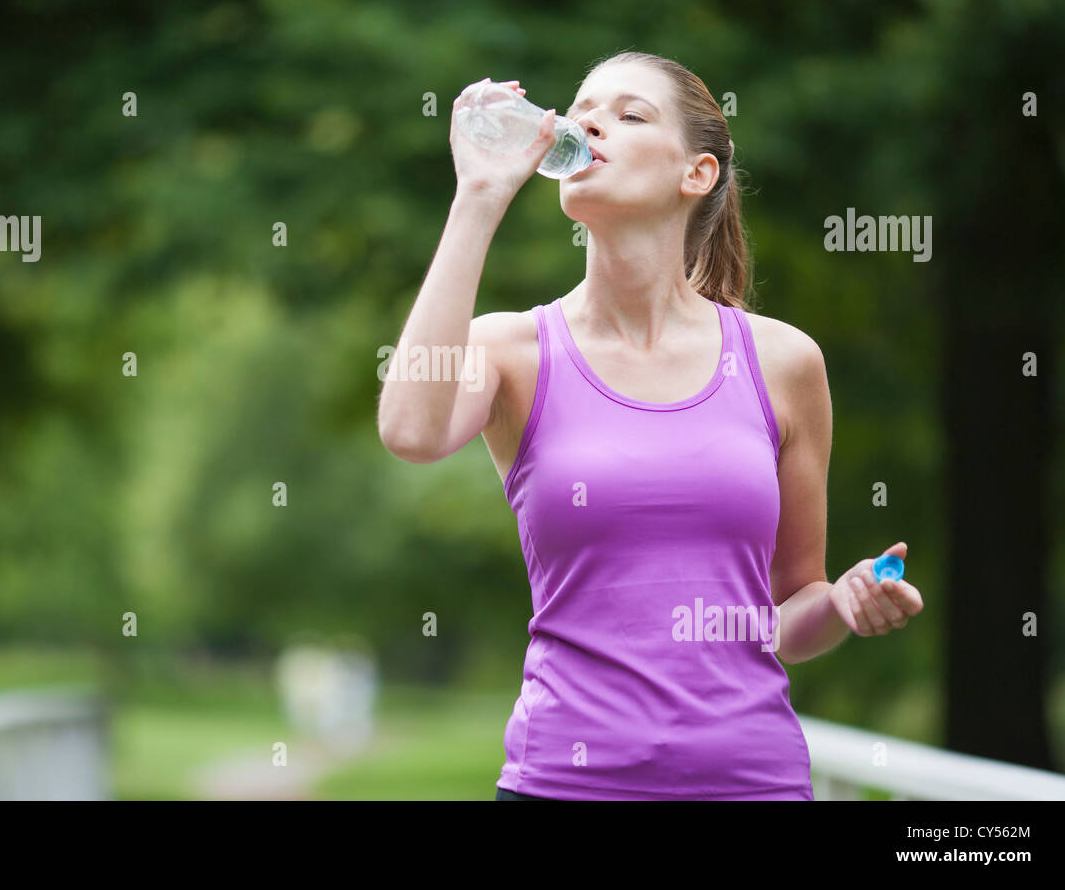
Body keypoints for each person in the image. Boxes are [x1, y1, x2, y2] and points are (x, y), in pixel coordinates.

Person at [376, 51, 924, 800]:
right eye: (584, 108)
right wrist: (477, 195)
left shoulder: (784, 361)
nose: (589, 120)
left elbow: (790, 609)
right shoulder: (512, 351)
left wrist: (842, 602)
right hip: (563, 785)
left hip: (752, 785)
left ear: (695, 174)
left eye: (629, 114)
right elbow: (410, 429)